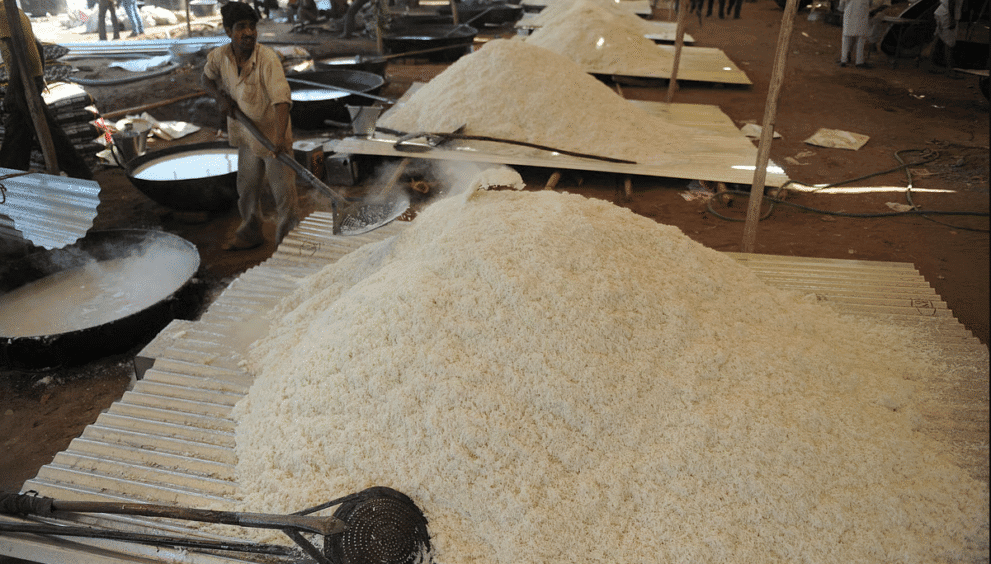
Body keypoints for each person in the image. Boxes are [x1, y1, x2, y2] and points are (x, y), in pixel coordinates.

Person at [201, 1, 299, 251]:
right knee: (246, 189)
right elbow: (205, 79)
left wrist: (279, 139)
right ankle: (251, 232)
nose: (248, 33)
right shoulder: (220, 56)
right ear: (228, 31)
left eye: (252, 27)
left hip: (273, 135)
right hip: (245, 134)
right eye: (241, 27)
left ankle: (290, 243)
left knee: (284, 195)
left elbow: (281, 100)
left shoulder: (267, 59)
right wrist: (220, 97)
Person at [0, 0, 94, 179]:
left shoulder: (2, 15)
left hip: (22, 79)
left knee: (46, 133)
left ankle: (82, 174)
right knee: (19, 132)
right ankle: (10, 176)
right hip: (29, 77)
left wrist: (12, 90)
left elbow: (18, 53)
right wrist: (39, 74)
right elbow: (38, 45)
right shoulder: (15, 12)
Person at [921, 0, 962, 75]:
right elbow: (952, 2)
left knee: (938, 37)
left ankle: (929, 63)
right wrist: (952, 19)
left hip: (942, 12)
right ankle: (949, 70)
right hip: (947, 15)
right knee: (949, 42)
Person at [838, 0, 870, 67]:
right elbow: (872, 4)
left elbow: (841, 4)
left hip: (849, 13)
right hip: (862, 13)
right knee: (861, 39)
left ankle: (843, 60)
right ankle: (859, 61)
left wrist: (841, 9)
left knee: (846, 38)